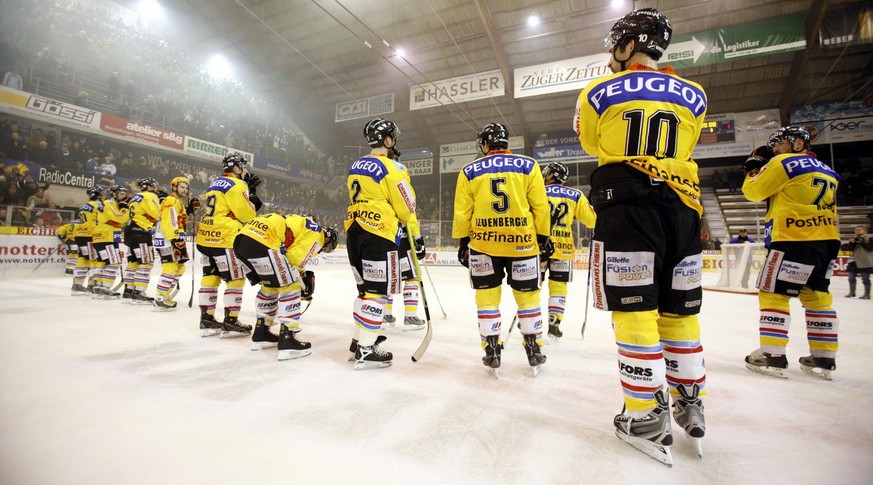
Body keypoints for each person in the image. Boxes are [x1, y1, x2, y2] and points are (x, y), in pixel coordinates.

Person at [574, 8, 707, 464]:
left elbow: (591, 143)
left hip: (628, 208)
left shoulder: (597, 90)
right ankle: (690, 399)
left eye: (617, 45)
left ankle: (646, 415)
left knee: (636, 311)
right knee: (680, 311)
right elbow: (687, 146)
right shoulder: (694, 93)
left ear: (629, 46)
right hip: (685, 208)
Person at [452, 122, 552, 378]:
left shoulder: (469, 170)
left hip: (483, 244)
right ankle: (533, 347)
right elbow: (540, 206)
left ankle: (492, 348)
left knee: (487, 299)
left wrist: (463, 243)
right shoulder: (529, 165)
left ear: (485, 145)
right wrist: (543, 237)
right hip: (523, 244)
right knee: (528, 298)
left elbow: (463, 213)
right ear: (507, 143)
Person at [741, 127, 841, 381]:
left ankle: (772, 354)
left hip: (792, 237)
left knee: (773, 293)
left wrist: (753, 168)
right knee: (817, 296)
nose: (774, 149)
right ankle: (824, 356)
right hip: (827, 240)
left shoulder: (784, 163)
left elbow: (753, 192)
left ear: (797, 143)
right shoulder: (827, 168)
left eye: (779, 143)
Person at [345, 118, 417, 369]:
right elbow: (407, 207)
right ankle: (366, 349)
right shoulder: (392, 167)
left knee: (365, 291)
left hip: (354, 230)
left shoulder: (355, 165)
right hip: (379, 233)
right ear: (387, 140)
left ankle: (358, 340)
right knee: (377, 293)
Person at [234, 213, 338, 360]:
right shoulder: (318, 234)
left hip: (241, 240)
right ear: (328, 239)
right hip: (263, 241)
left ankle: (261, 332)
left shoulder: (301, 223)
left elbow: (289, 256)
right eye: (327, 248)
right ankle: (288, 338)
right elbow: (294, 259)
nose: (322, 250)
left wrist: (299, 273)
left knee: (269, 286)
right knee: (291, 287)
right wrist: (302, 282)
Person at [196, 153, 261, 337]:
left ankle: (206, 318)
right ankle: (231, 320)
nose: (246, 170)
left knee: (211, 276)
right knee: (235, 279)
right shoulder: (237, 184)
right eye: (244, 167)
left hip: (206, 236)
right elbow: (247, 215)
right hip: (225, 237)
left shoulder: (214, 183)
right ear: (237, 167)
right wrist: (251, 194)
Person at [541, 161, 596, 340]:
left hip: (539, 247)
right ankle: (554, 323)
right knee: (559, 288)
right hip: (564, 249)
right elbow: (592, 221)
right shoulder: (575, 195)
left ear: (550, 175)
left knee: (532, 286)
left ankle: (527, 318)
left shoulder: (538, 191)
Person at [382, 151, 427, 332]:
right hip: (403, 235)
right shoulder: (399, 171)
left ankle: (385, 316)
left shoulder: (375, 175)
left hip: (384, 234)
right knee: (412, 276)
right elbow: (408, 209)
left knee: (388, 277)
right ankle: (410, 317)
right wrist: (416, 236)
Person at [153, 177, 194, 310]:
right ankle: (160, 297)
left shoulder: (177, 201)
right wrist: (175, 238)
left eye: (186, 187)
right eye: (182, 187)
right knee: (170, 267)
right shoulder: (171, 200)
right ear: (174, 187)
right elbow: (169, 219)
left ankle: (165, 295)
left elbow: (178, 218)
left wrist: (190, 211)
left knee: (180, 267)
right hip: (169, 238)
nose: (185, 190)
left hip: (171, 237)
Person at [123, 177, 161, 304]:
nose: (155, 188)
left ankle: (128, 290)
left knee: (133, 262)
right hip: (141, 231)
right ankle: (139, 292)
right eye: (154, 186)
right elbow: (157, 214)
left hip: (130, 231)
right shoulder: (150, 196)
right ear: (149, 186)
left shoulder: (136, 197)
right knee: (146, 262)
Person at [90, 185, 130, 299]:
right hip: (106, 236)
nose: (124, 196)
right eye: (121, 194)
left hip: (105, 236)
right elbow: (120, 219)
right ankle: (105, 288)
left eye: (125, 194)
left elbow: (120, 221)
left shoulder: (112, 204)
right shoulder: (109, 203)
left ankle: (97, 286)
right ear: (113, 193)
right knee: (114, 262)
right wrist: (125, 209)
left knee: (104, 262)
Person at [71, 187, 104, 295]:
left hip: (80, 234)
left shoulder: (84, 205)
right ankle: (92, 284)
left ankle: (77, 284)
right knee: (94, 259)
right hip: (90, 234)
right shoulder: (98, 205)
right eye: (102, 195)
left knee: (82, 258)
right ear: (98, 195)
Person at [844, 225, 872, 299]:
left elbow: (870, 248)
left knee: (865, 277)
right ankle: (852, 292)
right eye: (855, 230)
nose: (857, 231)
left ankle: (867, 294)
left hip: (865, 260)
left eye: (859, 229)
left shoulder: (870, 238)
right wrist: (852, 243)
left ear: (864, 230)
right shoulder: (854, 238)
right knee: (851, 277)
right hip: (853, 260)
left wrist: (862, 242)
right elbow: (850, 249)